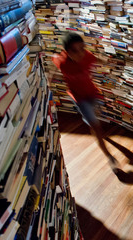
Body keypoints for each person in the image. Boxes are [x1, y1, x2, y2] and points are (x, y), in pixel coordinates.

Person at [52, 32, 119, 172]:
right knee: (96, 127)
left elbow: (99, 60)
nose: (80, 53)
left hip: (93, 94)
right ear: (66, 52)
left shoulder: (87, 56)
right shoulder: (62, 62)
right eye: (74, 51)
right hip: (80, 99)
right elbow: (54, 63)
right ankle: (110, 157)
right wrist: (49, 80)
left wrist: (111, 61)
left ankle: (90, 119)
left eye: (82, 48)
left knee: (95, 117)